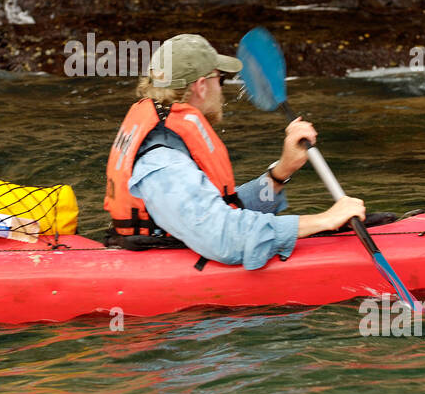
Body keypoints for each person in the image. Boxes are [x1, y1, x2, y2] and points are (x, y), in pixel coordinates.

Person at [104, 33, 364, 270]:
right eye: (221, 79)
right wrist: (324, 220)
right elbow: (226, 239)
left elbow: (223, 210)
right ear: (201, 86)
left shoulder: (168, 139)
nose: (222, 90)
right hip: (170, 299)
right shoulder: (164, 162)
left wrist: (280, 173)